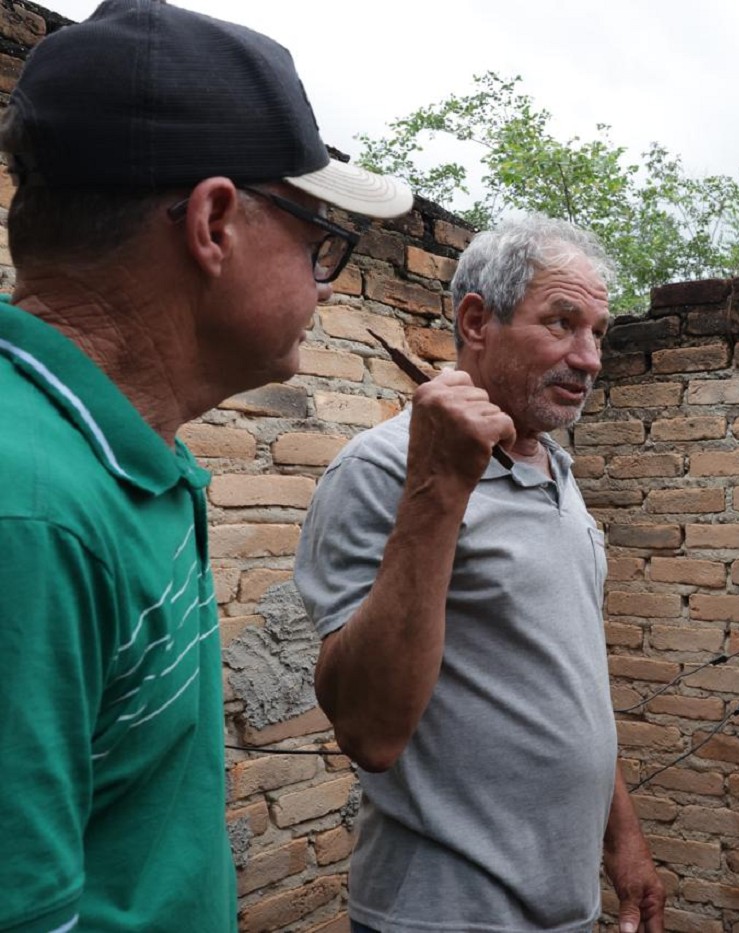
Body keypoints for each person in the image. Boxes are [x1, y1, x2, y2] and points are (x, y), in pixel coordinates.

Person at [0, 1, 412, 930]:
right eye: (319, 242)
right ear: (214, 221)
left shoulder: (121, 458)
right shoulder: (29, 515)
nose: (319, 279)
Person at [294, 215, 665, 933]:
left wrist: (623, 839)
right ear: (476, 320)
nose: (588, 358)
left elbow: (564, 680)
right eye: (562, 323)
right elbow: (367, 730)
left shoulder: (555, 466)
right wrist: (437, 482)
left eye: (598, 332)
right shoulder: (379, 469)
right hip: (444, 911)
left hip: (564, 904)